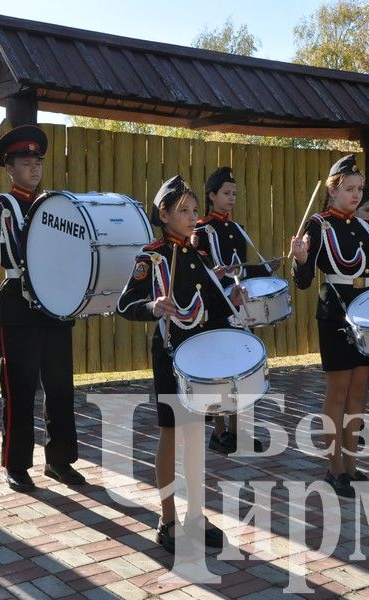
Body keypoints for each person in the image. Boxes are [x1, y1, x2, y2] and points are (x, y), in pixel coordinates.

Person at [0, 125, 85, 492]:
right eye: (26, 162)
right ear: (10, 168)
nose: (34, 167)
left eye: (37, 161)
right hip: (17, 308)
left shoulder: (56, 207)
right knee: (20, 390)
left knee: (60, 389)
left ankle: (60, 461)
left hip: (56, 308)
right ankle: (16, 464)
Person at [117, 175, 248, 552]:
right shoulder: (152, 256)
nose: (192, 217)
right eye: (183, 211)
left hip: (201, 360)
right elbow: (125, 305)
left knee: (194, 438)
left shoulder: (198, 255)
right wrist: (152, 306)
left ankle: (196, 513)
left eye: (194, 210)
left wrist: (233, 298)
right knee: (172, 434)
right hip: (170, 356)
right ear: (164, 214)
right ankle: (167, 517)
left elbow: (218, 310)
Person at [289, 155, 369, 497]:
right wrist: (301, 261)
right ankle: (334, 469)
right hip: (335, 315)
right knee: (338, 392)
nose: (356, 195)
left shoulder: (365, 227)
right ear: (332, 191)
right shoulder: (318, 225)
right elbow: (304, 281)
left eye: (359, 189)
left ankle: (352, 466)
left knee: (360, 391)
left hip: (368, 316)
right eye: (349, 189)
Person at [193, 166, 280, 454]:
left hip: (238, 306)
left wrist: (266, 268)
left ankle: (237, 431)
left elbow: (239, 267)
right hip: (216, 310)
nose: (232, 198)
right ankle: (219, 433)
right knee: (221, 372)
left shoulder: (235, 228)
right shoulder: (202, 230)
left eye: (235, 194)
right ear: (212, 195)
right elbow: (203, 274)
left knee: (240, 370)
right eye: (226, 193)